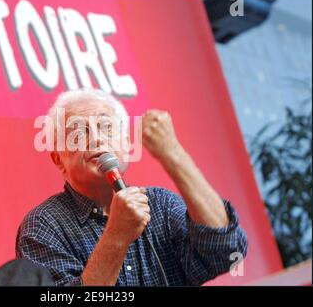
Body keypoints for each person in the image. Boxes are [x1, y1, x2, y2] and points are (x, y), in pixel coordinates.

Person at [16, 88, 248, 286]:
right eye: (79, 132)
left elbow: (226, 252)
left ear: (126, 143)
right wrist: (116, 236)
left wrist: (173, 153)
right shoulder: (43, 226)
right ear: (58, 159)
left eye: (107, 127)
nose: (97, 139)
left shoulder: (160, 205)